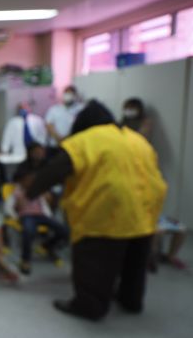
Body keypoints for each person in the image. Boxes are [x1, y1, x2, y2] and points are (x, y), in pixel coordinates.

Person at [27, 100, 167, 321]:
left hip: (106, 213)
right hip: (144, 210)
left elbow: (51, 173)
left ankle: (89, 306)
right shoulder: (135, 138)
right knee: (134, 263)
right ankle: (131, 301)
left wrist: (29, 194)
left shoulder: (84, 141)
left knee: (94, 263)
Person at [7, 168, 68, 275]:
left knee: (64, 230)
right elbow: (12, 208)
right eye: (28, 180)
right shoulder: (17, 191)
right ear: (22, 181)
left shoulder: (38, 190)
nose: (31, 182)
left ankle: (46, 246)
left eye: (33, 180)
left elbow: (47, 204)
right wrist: (20, 203)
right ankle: (26, 260)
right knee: (28, 232)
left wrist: (47, 197)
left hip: (41, 215)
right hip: (27, 216)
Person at [45, 85, 84, 156]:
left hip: (73, 146)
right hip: (55, 146)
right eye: (66, 93)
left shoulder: (81, 109)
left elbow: (82, 125)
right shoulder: (54, 109)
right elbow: (49, 125)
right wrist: (58, 138)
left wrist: (67, 139)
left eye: (70, 94)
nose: (68, 96)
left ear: (75, 96)